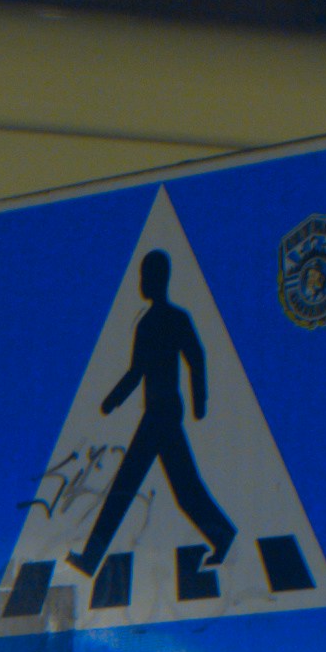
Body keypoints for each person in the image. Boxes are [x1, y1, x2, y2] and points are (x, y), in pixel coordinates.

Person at [70, 249, 234, 601]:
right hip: (159, 412)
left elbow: (196, 357)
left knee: (131, 486)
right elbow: (137, 371)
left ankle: (91, 557)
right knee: (179, 488)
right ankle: (221, 534)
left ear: (157, 279)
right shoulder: (150, 323)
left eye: (146, 275)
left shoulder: (171, 319)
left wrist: (200, 402)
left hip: (163, 414)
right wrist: (111, 400)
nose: (141, 282)